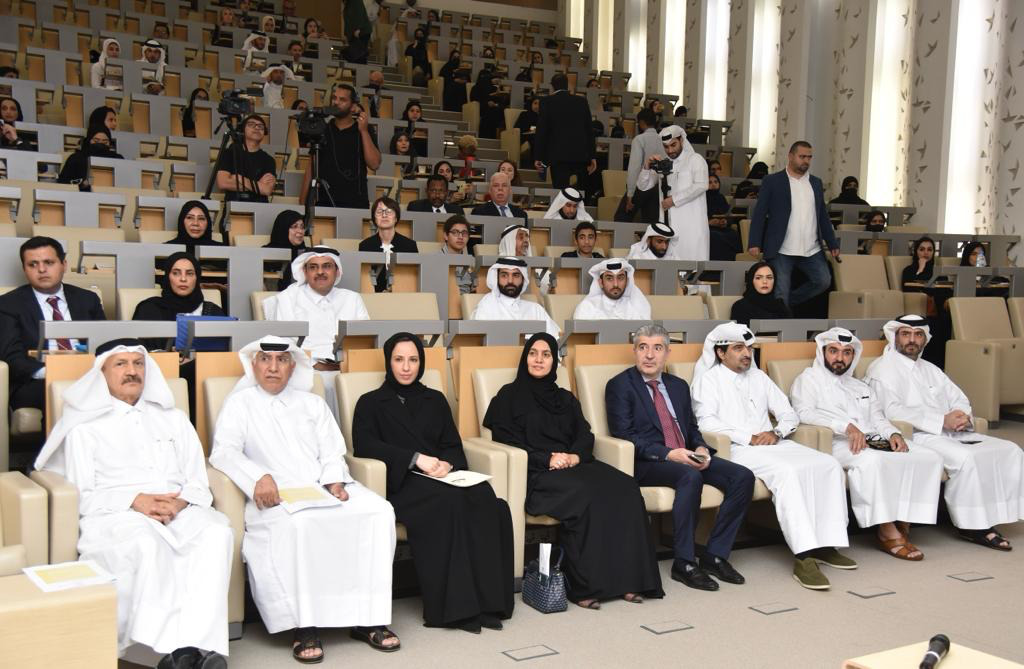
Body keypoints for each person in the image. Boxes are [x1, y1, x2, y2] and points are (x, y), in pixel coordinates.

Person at [34, 340, 231, 666]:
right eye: (121, 364)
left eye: (138, 364)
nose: (131, 371)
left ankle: (199, 646)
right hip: (116, 514)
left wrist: (180, 504)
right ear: (102, 373)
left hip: (178, 509)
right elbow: (83, 495)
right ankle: (162, 652)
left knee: (216, 533)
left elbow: (198, 481)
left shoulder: (174, 418)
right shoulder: (84, 427)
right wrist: (135, 500)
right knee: (146, 544)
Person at [209, 336, 399, 662]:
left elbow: (333, 450)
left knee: (379, 512)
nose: (273, 367)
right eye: (265, 360)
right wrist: (257, 477)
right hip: (274, 496)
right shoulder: (239, 404)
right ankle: (304, 626)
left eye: (281, 360)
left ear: (292, 366)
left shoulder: (312, 403)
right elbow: (224, 452)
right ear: (254, 364)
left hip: (321, 487)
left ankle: (368, 617)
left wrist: (334, 480)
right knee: (301, 524)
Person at [483, 333, 664, 608]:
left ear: (554, 361)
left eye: (546, 355)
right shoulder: (508, 397)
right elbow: (506, 441)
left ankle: (630, 580)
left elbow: (584, 434)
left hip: (574, 464)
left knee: (626, 487)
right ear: (525, 358)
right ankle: (585, 587)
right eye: (533, 353)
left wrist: (575, 456)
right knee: (584, 494)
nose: (539, 360)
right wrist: (548, 459)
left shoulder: (565, 398)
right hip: (537, 472)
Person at [353, 333, 515, 632]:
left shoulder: (435, 399)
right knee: (448, 503)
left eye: (413, 360)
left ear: (421, 363)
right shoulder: (370, 402)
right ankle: (455, 609)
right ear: (389, 362)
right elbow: (366, 446)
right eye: (399, 359)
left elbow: (452, 444)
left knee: (484, 496)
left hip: (440, 478)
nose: (406, 367)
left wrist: (446, 464)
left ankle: (486, 604)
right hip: (403, 483)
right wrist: (415, 459)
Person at [691, 323, 854, 590]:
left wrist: (776, 432)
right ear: (720, 353)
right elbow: (705, 423)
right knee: (788, 473)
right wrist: (749, 437)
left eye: (749, 348)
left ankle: (826, 544)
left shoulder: (759, 378)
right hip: (737, 449)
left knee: (829, 464)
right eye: (738, 348)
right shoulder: (707, 381)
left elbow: (789, 414)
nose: (747, 353)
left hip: (774, 443)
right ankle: (804, 555)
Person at [606, 324, 754, 590]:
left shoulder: (678, 386)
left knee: (742, 477)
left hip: (687, 455)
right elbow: (624, 435)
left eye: (657, 348)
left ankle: (715, 555)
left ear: (667, 353)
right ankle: (684, 563)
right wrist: (669, 454)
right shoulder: (620, 386)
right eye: (643, 347)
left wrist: (701, 448)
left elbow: (691, 429)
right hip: (648, 462)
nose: (649, 355)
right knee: (689, 476)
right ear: (634, 351)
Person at [864, 316, 1024, 551]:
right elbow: (890, 411)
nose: (912, 340)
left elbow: (957, 397)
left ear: (925, 339)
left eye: (918, 334)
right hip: (917, 435)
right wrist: (941, 421)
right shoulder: (882, 369)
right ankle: (973, 526)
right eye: (906, 334)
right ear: (894, 337)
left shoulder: (931, 369)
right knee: (968, 458)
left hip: (952, 432)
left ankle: (997, 515)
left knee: (1010, 450)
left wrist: (961, 415)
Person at [791, 328, 945, 561]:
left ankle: (904, 520)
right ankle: (886, 530)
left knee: (928, 456)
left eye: (846, 353)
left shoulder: (860, 386)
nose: (840, 358)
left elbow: (878, 417)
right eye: (833, 351)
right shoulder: (808, 380)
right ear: (823, 352)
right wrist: (846, 427)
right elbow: (804, 412)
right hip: (835, 442)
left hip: (872, 439)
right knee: (872, 462)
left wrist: (893, 434)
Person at [0, 237, 105, 414]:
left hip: (86, 373)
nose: (41, 270)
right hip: (37, 380)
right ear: (24, 269)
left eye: (49, 262)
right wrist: (54, 372)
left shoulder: (88, 299)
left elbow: (105, 344)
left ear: (64, 264)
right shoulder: (8, 304)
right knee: (63, 393)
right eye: (32, 264)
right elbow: (12, 357)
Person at [262, 247, 369, 417]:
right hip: (306, 369)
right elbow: (284, 343)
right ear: (305, 272)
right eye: (313, 267)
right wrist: (314, 364)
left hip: (348, 367)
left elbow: (365, 341)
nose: (320, 272)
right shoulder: (288, 298)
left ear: (337, 271)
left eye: (326, 266)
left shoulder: (352, 299)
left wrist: (346, 363)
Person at [748, 141, 840, 307]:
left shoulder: (816, 183)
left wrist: (832, 242)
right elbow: (759, 213)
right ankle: (781, 312)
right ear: (790, 156)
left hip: (811, 248)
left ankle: (786, 304)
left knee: (823, 281)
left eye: (809, 157)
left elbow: (822, 216)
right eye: (802, 156)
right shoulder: (772, 181)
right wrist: (754, 242)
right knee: (781, 291)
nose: (806, 161)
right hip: (782, 248)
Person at [635, 125, 709, 260]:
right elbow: (643, 186)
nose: (670, 150)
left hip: (691, 225)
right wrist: (647, 166)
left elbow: (701, 185)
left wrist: (674, 200)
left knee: (693, 264)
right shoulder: (664, 163)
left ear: (681, 140)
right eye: (666, 147)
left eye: (673, 145)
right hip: (668, 224)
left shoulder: (695, 159)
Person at [301, 84, 380, 209]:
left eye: (342, 100)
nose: (336, 102)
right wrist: (302, 203)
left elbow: (374, 164)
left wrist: (364, 131)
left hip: (356, 202)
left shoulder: (365, 129)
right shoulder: (322, 129)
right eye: (334, 98)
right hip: (324, 201)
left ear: (353, 106)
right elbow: (311, 167)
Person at [533, 74, 596, 192]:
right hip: (580, 157)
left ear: (552, 86)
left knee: (561, 193)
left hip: (558, 157)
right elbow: (589, 130)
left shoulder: (546, 102)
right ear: (567, 86)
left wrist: (538, 157)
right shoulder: (581, 101)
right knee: (579, 194)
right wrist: (592, 156)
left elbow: (542, 131)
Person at [470, 258, 560, 338]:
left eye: (516, 275)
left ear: (523, 279)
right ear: (497, 278)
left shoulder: (535, 309)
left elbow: (556, 338)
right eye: (504, 275)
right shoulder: (487, 305)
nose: (510, 281)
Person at [132, 251, 224, 326]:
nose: (183, 279)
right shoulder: (149, 309)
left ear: (197, 278)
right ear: (167, 277)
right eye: (176, 273)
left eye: (189, 273)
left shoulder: (213, 312)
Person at [359, 196, 419, 293]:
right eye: (379, 212)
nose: (384, 215)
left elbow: (413, 278)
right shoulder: (365, 246)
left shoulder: (409, 245)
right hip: (373, 296)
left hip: (402, 295)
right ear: (374, 218)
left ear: (396, 218)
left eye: (389, 211)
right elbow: (364, 279)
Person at [215, 114, 276, 203]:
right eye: (251, 124)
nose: (257, 128)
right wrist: (258, 185)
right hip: (234, 206)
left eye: (260, 126)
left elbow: (267, 190)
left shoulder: (269, 160)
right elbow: (222, 183)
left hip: (260, 207)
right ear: (242, 130)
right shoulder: (229, 153)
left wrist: (239, 178)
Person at [572, 259, 650, 320]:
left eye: (620, 278)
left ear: (627, 281)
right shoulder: (587, 307)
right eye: (609, 278)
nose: (615, 284)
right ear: (600, 283)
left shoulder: (636, 307)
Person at [623, 108, 663, 223]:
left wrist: (630, 194)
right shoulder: (663, 140)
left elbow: (634, 168)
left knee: (621, 218)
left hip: (641, 185)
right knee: (650, 223)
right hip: (659, 187)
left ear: (641, 123)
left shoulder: (639, 139)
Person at [57, 127, 123, 189]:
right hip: (82, 195)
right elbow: (63, 182)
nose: (100, 144)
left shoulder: (117, 159)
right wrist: (82, 184)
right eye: (96, 141)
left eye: (105, 142)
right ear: (89, 140)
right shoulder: (76, 158)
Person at [729, 261, 792, 325]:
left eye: (769, 277)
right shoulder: (740, 306)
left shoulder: (780, 306)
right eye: (758, 278)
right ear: (751, 280)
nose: (765, 281)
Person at [263, 209, 307, 290]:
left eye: (302, 227)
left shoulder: (308, 254)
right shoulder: (267, 254)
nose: (300, 231)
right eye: (295, 226)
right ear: (283, 228)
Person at [707, 173, 742, 260]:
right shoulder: (702, 199)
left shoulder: (721, 197)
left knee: (734, 235)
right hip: (708, 228)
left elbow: (728, 214)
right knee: (715, 236)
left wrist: (725, 222)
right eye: (710, 182)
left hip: (722, 228)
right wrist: (709, 222)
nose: (713, 184)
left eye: (716, 182)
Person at [440, 215, 476, 294]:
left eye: (464, 233)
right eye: (455, 233)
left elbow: (475, 289)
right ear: (446, 236)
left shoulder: (472, 262)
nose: (460, 237)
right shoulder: (434, 260)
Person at [470, 69, 506, 139]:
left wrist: (497, 103)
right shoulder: (476, 88)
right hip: (483, 109)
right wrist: (487, 103)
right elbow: (475, 101)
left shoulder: (495, 88)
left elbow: (500, 102)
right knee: (492, 113)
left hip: (497, 109)